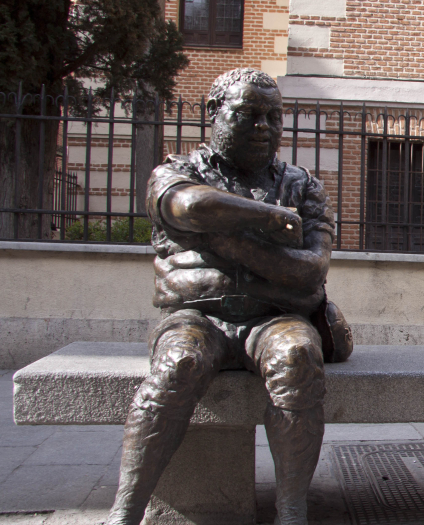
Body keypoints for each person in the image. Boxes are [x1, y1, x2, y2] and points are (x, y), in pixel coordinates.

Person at [107, 68, 351, 525]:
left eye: (273, 116)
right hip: (195, 317)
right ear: (214, 115)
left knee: (299, 355)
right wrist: (269, 220)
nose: (264, 126)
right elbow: (191, 206)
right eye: (249, 114)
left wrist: (218, 240)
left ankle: (292, 512)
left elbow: (310, 271)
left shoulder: (303, 186)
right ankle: (125, 513)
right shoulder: (177, 171)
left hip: (276, 319)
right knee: (178, 364)